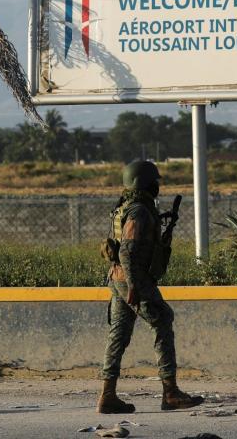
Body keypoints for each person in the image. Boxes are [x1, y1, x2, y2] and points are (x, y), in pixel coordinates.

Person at [97, 160, 204, 414]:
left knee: (119, 335)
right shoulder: (139, 212)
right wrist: (134, 286)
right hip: (131, 278)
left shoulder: (126, 207)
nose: (157, 186)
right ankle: (170, 392)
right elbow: (126, 252)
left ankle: (108, 396)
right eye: (154, 181)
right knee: (163, 319)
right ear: (142, 183)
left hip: (117, 278)